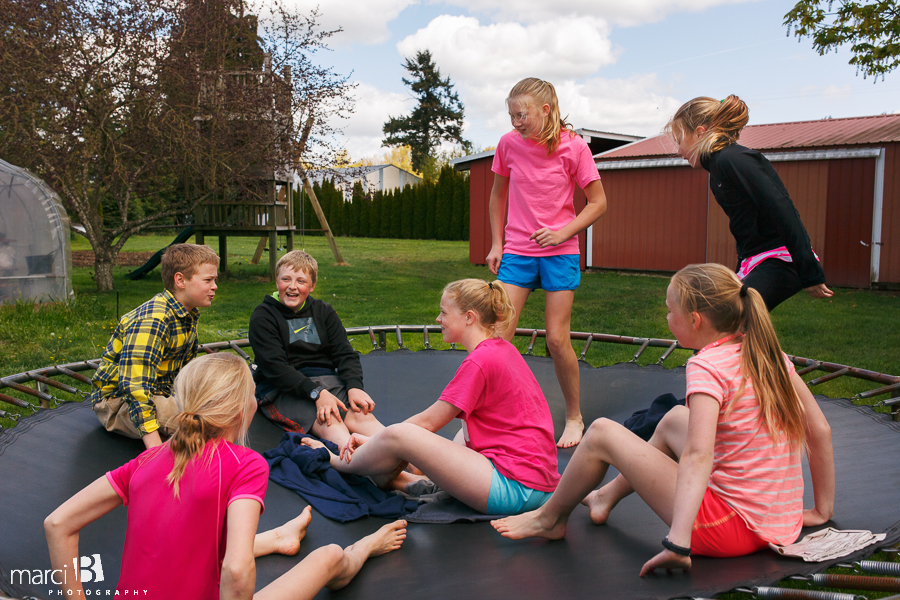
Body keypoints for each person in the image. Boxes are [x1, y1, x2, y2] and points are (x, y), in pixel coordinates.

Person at [491, 263, 835, 576]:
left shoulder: (707, 366)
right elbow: (819, 429)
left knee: (600, 433)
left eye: (671, 312)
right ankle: (604, 497)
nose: (667, 318)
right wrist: (821, 510)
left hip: (729, 530)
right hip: (778, 522)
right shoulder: (767, 354)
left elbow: (699, 455)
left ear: (695, 321)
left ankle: (549, 518)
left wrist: (678, 542)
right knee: (673, 418)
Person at [45, 352, 407, 599]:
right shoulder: (245, 464)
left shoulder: (148, 458)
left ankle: (279, 537)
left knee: (197, 542)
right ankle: (364, 547)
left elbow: (58, 523)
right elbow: (235, 569)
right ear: (243, 409)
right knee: (329, 556)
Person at [306, 279, 560, 515]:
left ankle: (339, 462)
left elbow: (426, 424)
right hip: (540, 482)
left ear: (469, 317)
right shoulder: (503, 349)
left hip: (514, 489)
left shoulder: (480, 362)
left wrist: (376, 442)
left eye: (444, 313)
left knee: (400, 435)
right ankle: (414, 475)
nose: (438, 319)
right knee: (463, 430)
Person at [486, 77, 608, 448]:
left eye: (521, 114)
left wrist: (562, 233)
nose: (516, 122)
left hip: (559, 252)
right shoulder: (508, 145)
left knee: (556, 339)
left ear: (545, 109)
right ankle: (488, 414)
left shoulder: (574, 148)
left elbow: (598, 202)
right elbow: (497, 196)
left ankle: (574, 416)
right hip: (519, 251)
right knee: (497, 335)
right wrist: (497, 244)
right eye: (511, 115)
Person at [666, 95, 833, 311]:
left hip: (781, 259)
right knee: (717, 318)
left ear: (700, 132)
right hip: (755, 260)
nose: (679, 151)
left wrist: (809, 270)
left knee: (725, 319)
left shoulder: (732, 159)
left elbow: (782, 208)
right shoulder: (717, 167)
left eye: (680, 141)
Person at [249, 250, 384, 448]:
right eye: (286, 279)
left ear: (312, 286)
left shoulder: (323, 311)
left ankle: (412, 463)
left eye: (301, 281)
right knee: (332, 424)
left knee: (364, 420)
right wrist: (317, 393)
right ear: (277, 281)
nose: (292, 287)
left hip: (328, 382)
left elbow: (345, 353)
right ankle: (394, 476)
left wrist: (354, 386)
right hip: (283, 389)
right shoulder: (264, 316)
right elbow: (275, 368)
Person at [90, 243, 219, 449]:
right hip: (118, 403)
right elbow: (135, 387)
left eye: (215, 280)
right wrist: (154, 449)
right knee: (201, 424)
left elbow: (183, 372)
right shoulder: (154, 320)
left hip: (160, 392)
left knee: (221, 408)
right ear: (180, 280)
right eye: (208, 280)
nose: (214, 286)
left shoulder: (186, 314)